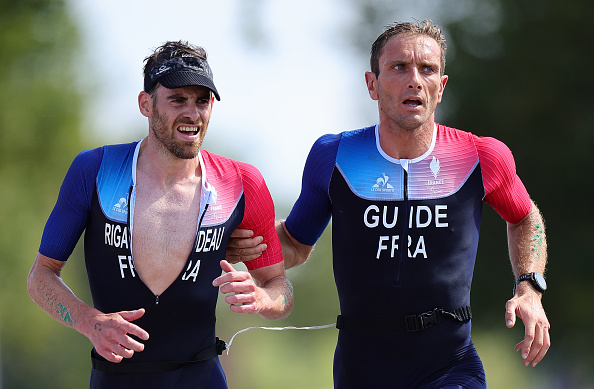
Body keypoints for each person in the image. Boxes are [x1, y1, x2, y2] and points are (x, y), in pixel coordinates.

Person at [226, 20, 550, 388]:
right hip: (360, 367)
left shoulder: (480, 155)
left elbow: (524, 217)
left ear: (440, 88)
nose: (415, 79)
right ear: (372, 84)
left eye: (427, 69)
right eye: (399, 67)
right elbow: (296, 244)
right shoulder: (333, 156)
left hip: (449, 365)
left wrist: (529, 287)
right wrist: (241, 244)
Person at [27, 40, 293, 389]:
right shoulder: (95, 170)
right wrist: (90, 322)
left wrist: (263, 298)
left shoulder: (242, 183)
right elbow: (41, 277)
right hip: (115, 379)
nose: (192, 113)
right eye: (178, 99)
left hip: (200, 377)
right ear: (145, 104)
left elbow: (281, 288)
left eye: (202, 100)